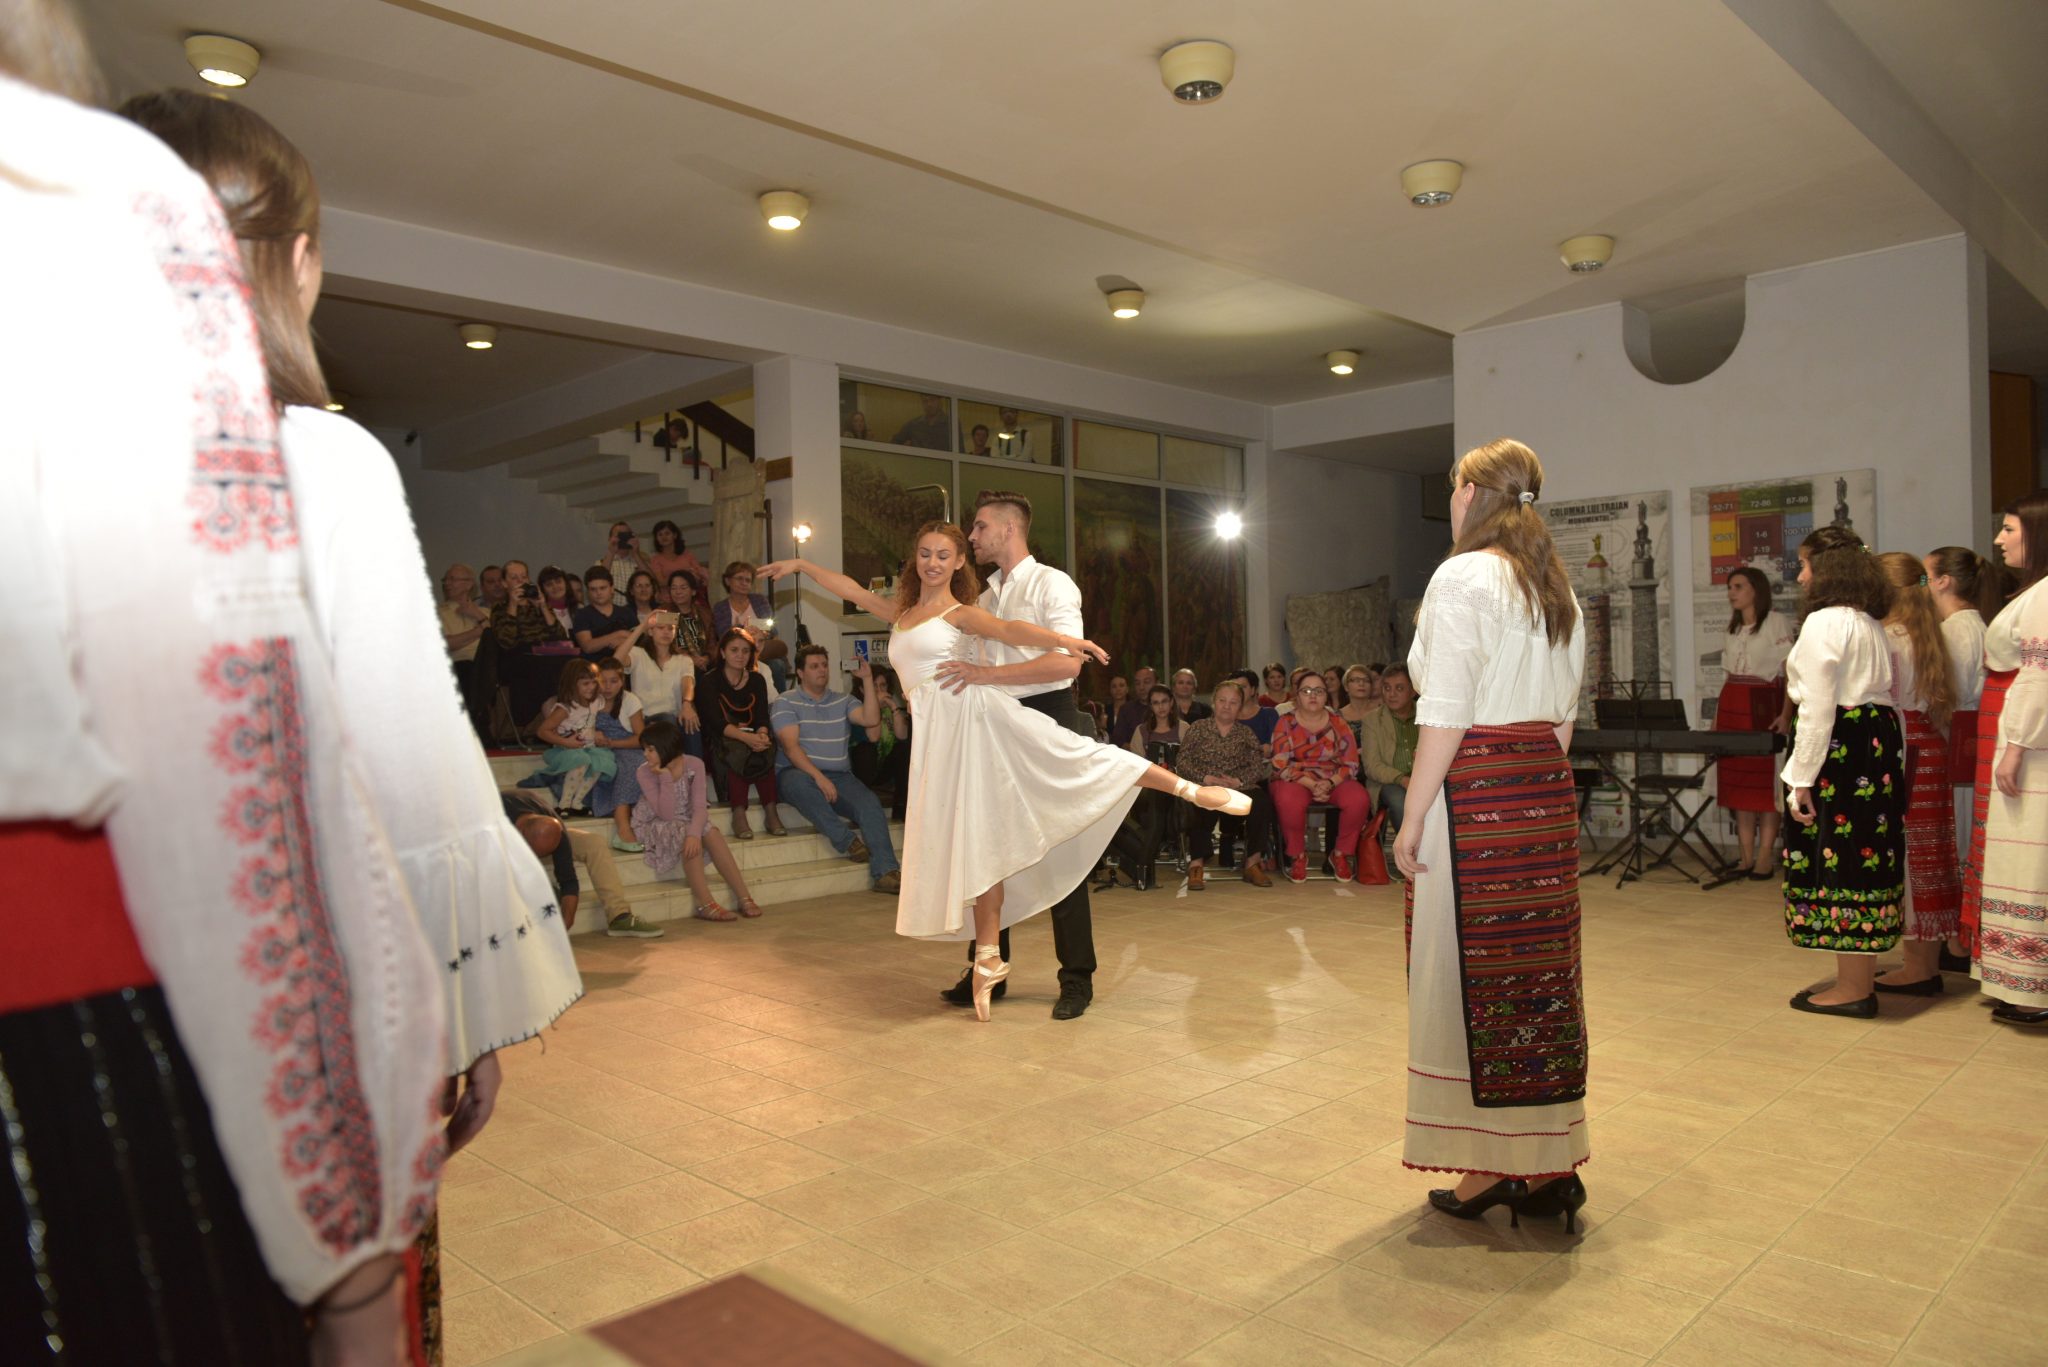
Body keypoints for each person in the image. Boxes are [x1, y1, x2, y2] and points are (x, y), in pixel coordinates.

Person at [120, 86, 588, 1362]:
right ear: (302, 266)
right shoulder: (316, 465)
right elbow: (404, 771)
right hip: (279, 996)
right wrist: (461, 1008)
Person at [2, 48, 452, 1360]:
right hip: (104, 1025)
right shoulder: (218, 452)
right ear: (296, 261)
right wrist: (354, 1247)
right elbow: (259, 832)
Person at [759, 517, 1248, 1021]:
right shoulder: (902, 613)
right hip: (939, 741)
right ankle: (989, 958)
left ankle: (1189, 790)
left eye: (943, 555)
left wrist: (1066, 642)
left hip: (974, 720)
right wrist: (801, 565)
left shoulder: (959, 612)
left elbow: (1011, 630)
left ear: (958, 562)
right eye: (924, 553)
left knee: (1075, 758)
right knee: (978, 843)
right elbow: (853, 591)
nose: (932, 563)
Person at [1392, 438, 1589, 1232]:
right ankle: (1547, 1163)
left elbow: (1445, 711)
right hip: (1542, 783)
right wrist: (1536, 788)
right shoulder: (1552, 582)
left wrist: (1413, 816)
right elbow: (1565, 715)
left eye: (1453, 490)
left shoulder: (1463, 576)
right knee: (1537, 977)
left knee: (1466, 976)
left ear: (1471, 493)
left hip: (1477, 790)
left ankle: (1493, 1166)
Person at [1776, 525, 1903, 1018]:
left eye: (1806, 565)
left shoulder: (1825, 621)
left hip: (1841, 746)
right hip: (1873, 741)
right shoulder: (1867, 621)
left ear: (1827, 568)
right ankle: (1858, 977)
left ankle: (1853, 989)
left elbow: (1817, 706)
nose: (1801, 576)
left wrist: (1800, 778)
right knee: (1866, 854)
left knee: (1840, 855)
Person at [1870, 551, 1961, 994]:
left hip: (1905, 750)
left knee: (1907, 855)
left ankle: (1918, 967)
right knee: (1929, 853)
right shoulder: (1927, 634)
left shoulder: (1888, 638)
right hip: (1929, 745)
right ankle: (1925, 959)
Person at [1975, 492, 2048, 1026]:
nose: (2000, 540)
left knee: (2030, 863)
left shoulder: (2045, 595)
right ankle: (2022, 980)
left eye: (2009, 529)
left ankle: (2033, 988)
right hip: (2030, 739)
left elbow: (2040, 676)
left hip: (2036, 750)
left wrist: (2017, 746)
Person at [770, 645, 902, 894]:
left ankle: (886, 871)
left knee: (870, 804)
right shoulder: (785, 701)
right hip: (797, 772)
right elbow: (790, 748)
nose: (822, 670)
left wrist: (867, 680)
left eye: (824, 665)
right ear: (800, 672)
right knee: (798, 783)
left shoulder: (844, 700)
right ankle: (848, 841)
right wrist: (819, 778)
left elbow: (871, 720)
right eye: (814, 666)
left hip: (840, 776)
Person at [1713, 565, 1799, 879]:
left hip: (1763, 707)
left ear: (1756, 590)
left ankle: (1765, 857)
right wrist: (1716, 720)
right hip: (1733, 708)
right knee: (1740, 788)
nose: (1731, 593)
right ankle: (1745, 857)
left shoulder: (1776, 622)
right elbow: (1726, 677)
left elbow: (1791, 674)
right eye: (1729, 587)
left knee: (1765, 788)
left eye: (1738, 586)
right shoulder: (1733, 628)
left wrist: (1786, 714)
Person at [635, 718, 765, 921]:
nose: (645, 754)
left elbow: (699, 807)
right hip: (658, 821)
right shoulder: (644, 772)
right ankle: (704, 904)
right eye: (644, 749)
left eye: (650, 749)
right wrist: (665, 777)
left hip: (688, 817)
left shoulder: (694, 764)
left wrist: (695, 834)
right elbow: (666, 814)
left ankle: (743, 896)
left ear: (665, 747)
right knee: (686, 831)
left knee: (710, 832)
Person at [504, 789, 661, 937]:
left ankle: (619, 916)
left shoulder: (553, 826)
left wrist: (566, 921)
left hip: (536, 838)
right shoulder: (495, 818)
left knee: (593, 843)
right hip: (504, 853)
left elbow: (568, 879)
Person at [1928, 545, 1992, 871]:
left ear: (1944, 581)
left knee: (1960, 834)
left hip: (1957, 737)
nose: (1924, 586)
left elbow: (1951, 693)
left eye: (1926, 577)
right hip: (1967, 734)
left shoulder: (1955, 630)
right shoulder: (1976, 625)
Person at [1178, 678, 1276, 889]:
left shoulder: (1245, 733)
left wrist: (1239, 781)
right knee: (1197, 802)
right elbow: (1182, 761)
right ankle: (1196, 865)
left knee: (1261, 803)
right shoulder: (1198, 728)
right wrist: (1205, 778)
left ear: (1240, 707)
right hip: (1205, 784)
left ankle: (1252, 863)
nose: (1227, 706)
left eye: (1233, 702)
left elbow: (1257, 766)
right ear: (1214, 702)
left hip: (1237, 787)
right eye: (1222, 700)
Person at [1271, 675, 1367, 882]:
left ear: (1326, 696)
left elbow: (1351, 762)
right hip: (1296, 778)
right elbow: (1279, 763)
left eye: (1318, 691)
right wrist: (1312, 784)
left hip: (1333, 777)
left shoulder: (1338, 723)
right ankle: (1298, 856)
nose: (1312, 695)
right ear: (1296, 696)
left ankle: (1340, 854)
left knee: (1359, 799)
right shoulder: (1285, 722)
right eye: (1306, 691)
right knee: (1288, 800)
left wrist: (1330, 783)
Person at [700, 628, 788, 839]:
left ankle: (771, 810)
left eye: (745, 651)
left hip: (751, 733)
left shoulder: (757, 680)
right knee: (738, 749)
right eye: (734, 650)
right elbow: (716, 723)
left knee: (766, 745)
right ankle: (738, 812)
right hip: (721, 737)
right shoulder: (709, 680)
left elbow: (761, 717)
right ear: (723, 652)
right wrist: (748, 738)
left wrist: (762, 734)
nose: (740, 655)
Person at [1115, 685, 1186, 890]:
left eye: (1164, 702)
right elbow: (1135, 767)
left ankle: (1143, 869)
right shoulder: (1141, 731)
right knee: (1156, 798)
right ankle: (1144, 867)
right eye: (1156, 703)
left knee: (1160, 802)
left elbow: (1189, 762)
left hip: (1178, 787)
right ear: (1150, 706)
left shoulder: (1183, 728)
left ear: (1171, 703)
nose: (1161, 707)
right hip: (1149, 788)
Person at [535, 659, 615, 814]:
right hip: (566, 750)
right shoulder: (565, 709)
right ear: (572, 685)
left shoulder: (596, 702)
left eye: (594, 682)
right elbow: (542, 731)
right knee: (581, 761)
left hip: (588, 747)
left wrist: (597, 734)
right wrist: (565, 742)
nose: (591, 687)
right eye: (585, 684)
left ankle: (577, 802)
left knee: (602, 762)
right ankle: (564, 803)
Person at [614, 609, 698, 747]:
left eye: (670, 628)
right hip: (645, 718)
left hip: (674, 717)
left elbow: (687, 684)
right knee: (667, 720)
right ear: (651, 631)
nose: (666, 632)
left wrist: (687, 704)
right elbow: (616, 661)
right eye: (660, 628)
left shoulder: (684, 660)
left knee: (692, 721)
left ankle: (696, 761)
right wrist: (642, 626)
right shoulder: (638, 654)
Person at [592, 657, 647, 851]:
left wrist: (613, 743)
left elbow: (641, 738)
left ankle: (633, 823)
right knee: (611, 764)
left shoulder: (630, 700)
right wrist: (592, 734)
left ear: (622, 681)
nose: (607, 687)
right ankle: (623, 826)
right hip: (597, 749)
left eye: (613, 681)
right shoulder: (590, 699)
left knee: (637, 764)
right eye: (603, 681)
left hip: (626, 746)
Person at [1362, 663, 1421, 832]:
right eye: (1387, 688)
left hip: (1425, 780)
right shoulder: (1373, 720)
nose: (1391, 694)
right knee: (1401, 803)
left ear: (1413, 691)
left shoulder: (1427, 716)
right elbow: (1372, 766)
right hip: (1389, 782)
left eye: (1399, 688)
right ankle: (1410, 847)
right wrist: (1402, 779)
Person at [713, 560, 788, 686]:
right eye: (739, 579)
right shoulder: (720, 607)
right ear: (728, 581)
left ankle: (779, 699)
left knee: (777, 665)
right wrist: (750, 629)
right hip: (737, 654)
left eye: (748, 580)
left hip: (762, 651)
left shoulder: (760, 601)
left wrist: (744, 628)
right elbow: (724, 635)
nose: (744, 583)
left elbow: (772, 629)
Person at [440, 561, 493, 733]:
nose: (447, 583)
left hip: (487, 665)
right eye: (446, 580)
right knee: (467, 669)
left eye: (452, 579)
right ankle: (479, 730)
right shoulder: (438, 612)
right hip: (458, 665)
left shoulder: (486, 613)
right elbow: (446, 644)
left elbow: (499, 639)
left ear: (469, 584)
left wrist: (477, 615)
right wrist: (479, 631)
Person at [572, 564, 638, 660]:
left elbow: (640, 640)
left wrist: (623, 641)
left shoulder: (626, 612)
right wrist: (620, 634)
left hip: (625, 665)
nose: (598, 593)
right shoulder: (582, 615)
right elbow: (587, 646)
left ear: (612, 589)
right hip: (594, 666)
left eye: (602, 588)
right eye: (593, 589)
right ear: (588, 592)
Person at [648, 518, 708, 601]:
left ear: (675, 535)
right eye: (660, 534)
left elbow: (699, 575)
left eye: (667, 533)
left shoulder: (688, 555)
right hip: (668, 599)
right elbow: (660, 582)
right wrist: (685, 574)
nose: (664, 537)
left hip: (691, 598)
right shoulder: (655, 559)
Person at [668, 568, 715, 669]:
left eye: (683, 588)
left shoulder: (704, 613)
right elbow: (664, 644)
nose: (678, 592)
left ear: (693, 591)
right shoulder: (665, 612)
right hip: (675, 666)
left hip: (704, 664)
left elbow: (712, 643)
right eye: (673, 588)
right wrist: (690, 659)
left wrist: (707, 658)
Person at [1111, 664, 1157, 747]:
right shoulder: (1126, 710)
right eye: (1137, 683)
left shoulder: (1166, 708)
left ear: (1157, 683)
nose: (1141, 687)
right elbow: (1118, 740)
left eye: (1146, 682)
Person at [601, 520, 652, 594]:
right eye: (619, 535)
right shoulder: (602, 563)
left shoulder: (640, 562)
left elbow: (652, 582)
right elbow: (599, 581)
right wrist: (611, 552)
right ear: (610, 539)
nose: (623, 539)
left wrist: (636, 554)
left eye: (626, 535)